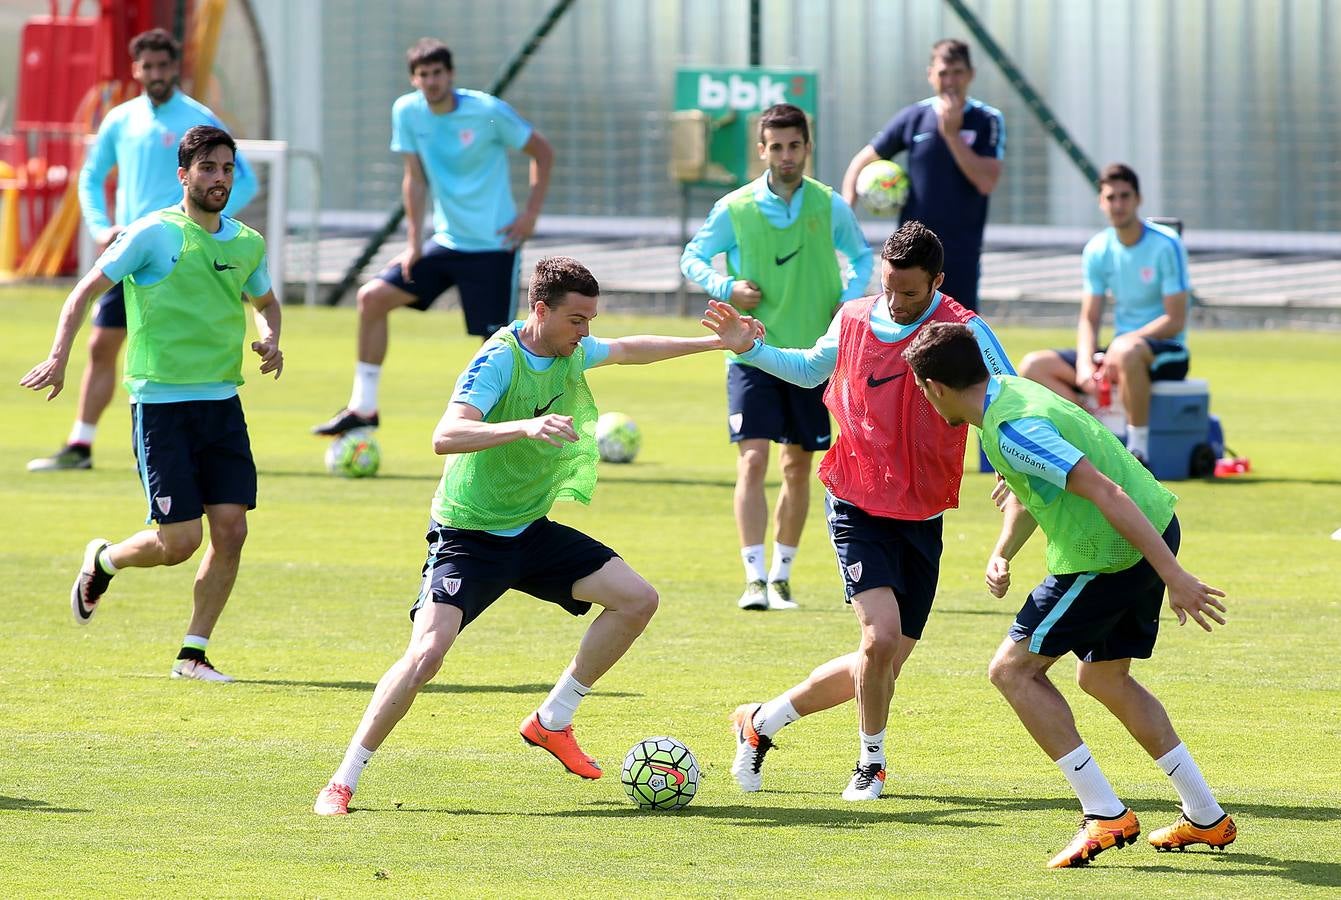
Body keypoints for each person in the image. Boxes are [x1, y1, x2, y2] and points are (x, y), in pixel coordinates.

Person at [313, 256, 732, 816]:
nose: (585, 333)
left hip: (530, 532)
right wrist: (526, 426)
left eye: (590, 321)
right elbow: (446, 435)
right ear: (540, 310)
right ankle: (342, 781)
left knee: (637, 600)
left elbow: (631, 349)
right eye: (577, 320)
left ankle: (553, 719)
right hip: (467, 535)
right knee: (426, 655)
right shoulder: (499, 358)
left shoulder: (570, 349)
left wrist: (716, 344)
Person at [903, 321, 1235, 868]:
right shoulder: (1008, 394)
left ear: (935, 387)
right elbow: (1037, 489)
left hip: (1110, 552)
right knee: (1103, 678)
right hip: (1151, 526)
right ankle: (1205, 814)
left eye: (921, 388)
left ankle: (1104, 813)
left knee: (1012, 672)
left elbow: (1105, 491)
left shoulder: (1013, 428)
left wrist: (1174, 575)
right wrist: (1003, 551)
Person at [702, 221, 1013, 801]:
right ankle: (871, 763)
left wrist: (1009, 467)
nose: (895, 301)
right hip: (856, 499)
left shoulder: (965, 331)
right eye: (888, 287)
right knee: (879, 638)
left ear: (938, 282)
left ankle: (761, 720)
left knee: (882, 663)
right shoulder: (853, 317)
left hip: (923, 512)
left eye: (910, 293)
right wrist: (751, 349)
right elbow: (810, 368)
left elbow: (1007, 398)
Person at [20, 126, 282, 682]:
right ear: (184, 175)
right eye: (208, 168)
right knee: (180, 542)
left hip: (222, 404)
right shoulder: (152, 233)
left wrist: (270, 338)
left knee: (231, 531)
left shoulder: (246, 242)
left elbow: (265, 301)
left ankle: (193, 654)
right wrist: (59, 356)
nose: (219, 179)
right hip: (161, 407)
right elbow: (86, 290)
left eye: (227, 168)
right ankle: (104, 560)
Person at [27, 28, 258, 472]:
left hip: (184, 256)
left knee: (184, 346)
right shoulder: (121, 119)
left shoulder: (198, 118)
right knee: (101, 345)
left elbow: (245, 180)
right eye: (147, 66)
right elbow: (91, 176)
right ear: (136, 69)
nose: (155, 74)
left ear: (175, 68)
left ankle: (196, 442)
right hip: (133, 253)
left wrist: (204, 224)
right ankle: (81, 444)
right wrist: (101, 227)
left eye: (163, 66)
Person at [681, 102, 873, 612]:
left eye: (795, 146)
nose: (787, 156)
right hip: (750, 353)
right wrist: (726, 286)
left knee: (797, 467)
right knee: (753, 460)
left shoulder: (829, 205)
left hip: (812, 357)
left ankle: (782, 577)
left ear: (808, 148)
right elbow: (692, 257)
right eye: (777, 146)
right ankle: (753, 579)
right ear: (761, 150)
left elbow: (861, 257)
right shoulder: (736, 207)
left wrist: (849, 297)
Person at [313, 37, 555, 438]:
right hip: (446, 243)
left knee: (497, 345)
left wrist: (530, 215)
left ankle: (500, 428)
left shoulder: (486, 112)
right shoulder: (407, 112)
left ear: (451, 74)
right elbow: (414, 178)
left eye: (437, 73)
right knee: (372, 298)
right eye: (423, 75)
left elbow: (542, 152)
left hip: (494, 246)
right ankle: (363, 407)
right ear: (414, 79)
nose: (431, 81)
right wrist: (412, 245)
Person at [1017, 163, 1191, 465]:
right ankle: (1093, 439)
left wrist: (1120, 347)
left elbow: (1174, 319)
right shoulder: (1097, 248)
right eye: (1111, 197)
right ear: (1101, 202)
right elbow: (1090, 317)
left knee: (1125, 349)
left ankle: (1137, 452)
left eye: (1125, 196)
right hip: (1119, 351)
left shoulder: (1167, 244)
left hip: (1167, 350)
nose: (1118, 204)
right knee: (1033, 366)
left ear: (1138, 200)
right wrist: (1085, 366)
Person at [840, 39, 1003, 312]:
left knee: (958, 330)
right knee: (901, 324)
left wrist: (952, 135)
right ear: (930, 75)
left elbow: (986, 182)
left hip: (960, 253)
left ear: (971, 74)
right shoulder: (914, 117)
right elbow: (861, 162)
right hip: (911, 254)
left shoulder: (987, 119)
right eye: (943, 73)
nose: (950, 81)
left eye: (958, 72)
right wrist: (845, 212)